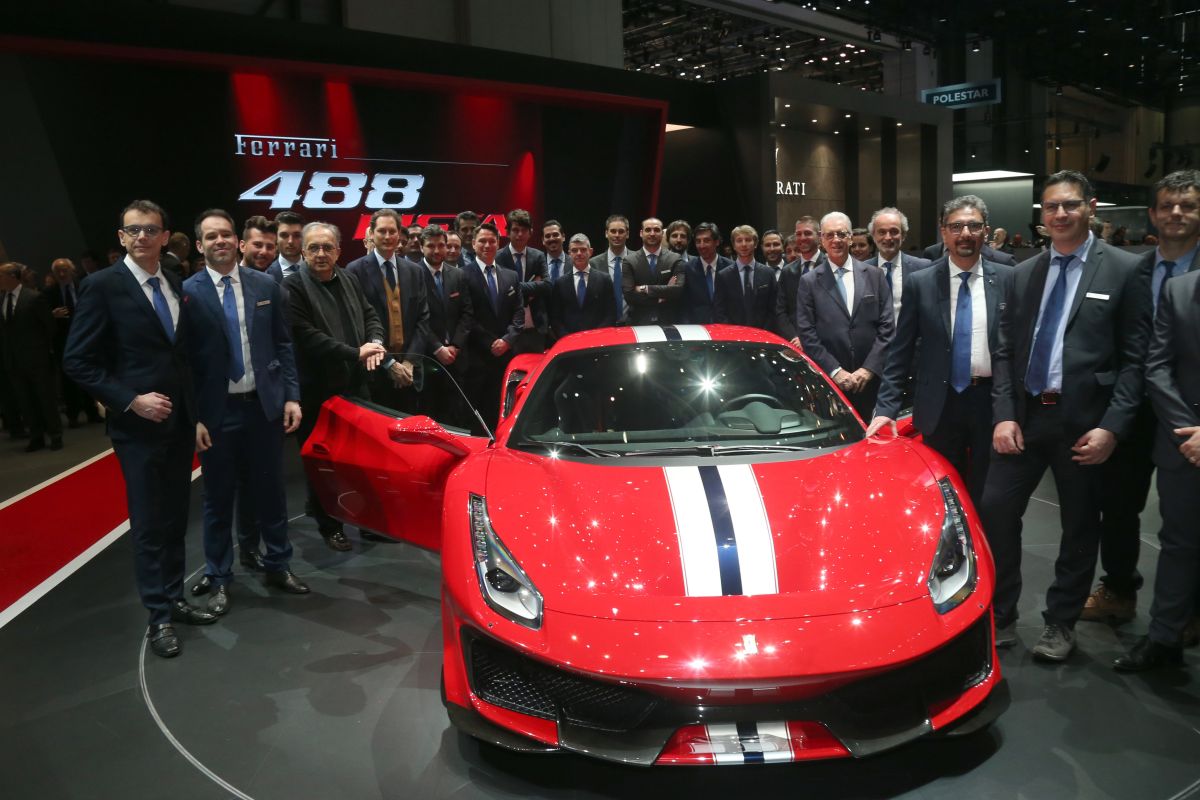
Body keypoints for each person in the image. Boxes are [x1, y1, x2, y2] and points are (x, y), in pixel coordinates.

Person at [981, 170, 1150, 661]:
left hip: (1085, 423)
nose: (1060, 214)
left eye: (1070, 205)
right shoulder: (1022, 272)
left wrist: (1112, 427)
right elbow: (1005, 351)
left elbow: (1135, 361)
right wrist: (1004, 414)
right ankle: (1002, 612)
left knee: (1079, 524)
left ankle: (1061, 621)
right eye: (1051, 206)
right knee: (995, 508)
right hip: (1026, 416)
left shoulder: (1124, 269)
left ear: (1090, 207)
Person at [64, 199, 214, 658]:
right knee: (149, 523)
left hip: (179, 423)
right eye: (134, 230)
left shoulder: (173, 280)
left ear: (165, 237)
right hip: (138, 430)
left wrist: (195, 414)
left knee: (175, 518)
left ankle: (174, 596)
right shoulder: (101, 286)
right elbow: (77, 361)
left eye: (151, 230)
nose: (142, 237)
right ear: (121, 237)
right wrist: (131, 400)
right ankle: (158, 616)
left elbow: (181, 358)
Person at [1087, 170, 1200, 626]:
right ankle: (1119, 589)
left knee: (1187, 520)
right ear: (1152, 214)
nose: (1176, 213)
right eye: (1167, 205)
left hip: (1190, 412)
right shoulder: (1133, 270)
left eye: (1187, 205)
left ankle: (1187, 611)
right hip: (1133, 406)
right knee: (1118, 505)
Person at [183, 209, 308, 617]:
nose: (219, 241)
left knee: (271, 491)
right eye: (211, 236)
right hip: (216, 413)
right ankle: (219, 576)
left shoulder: (265, 284)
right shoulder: (186, 293)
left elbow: (283, 344)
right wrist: (194, 416)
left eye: (225, 234)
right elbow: (183, 362)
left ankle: (279, 564)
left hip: (263, 407)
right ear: (199, 245)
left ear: (237, 241)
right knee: (218, 499)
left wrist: (291, 396)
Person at [868, 196, 1014, 506]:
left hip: (990, 403)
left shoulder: (1008, 279)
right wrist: (885, 409)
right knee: (942, 495)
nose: (965, 233)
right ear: (943, 232)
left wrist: (1011, 412)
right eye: (956, 226)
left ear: (986, 231)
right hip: (939, 404)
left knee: (990, 499)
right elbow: (900, 351)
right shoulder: (921, 283)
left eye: (974, 226)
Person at [1113, 265, 1200, 672]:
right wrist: (1188, 433)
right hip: (1184, 444)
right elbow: (1158, 366)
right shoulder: (1178, 290)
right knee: (1178, 545)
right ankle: (1164, 639)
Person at [284, 222, 387, 551]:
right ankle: (330, 525)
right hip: (316, 390)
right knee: (323, 464)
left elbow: (370, 315)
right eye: (314, 247)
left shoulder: (349, 279)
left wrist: (376, 342)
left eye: (327, 247)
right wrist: (356, 353)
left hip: (355, 386)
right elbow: (307, 336)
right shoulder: (292, 286)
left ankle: (366, 522)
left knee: (361, 460)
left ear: (339, 252)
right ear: (303, 251)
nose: (321, 253)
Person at [795, 211, 894, 421]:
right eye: (829, 235)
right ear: (821, 239)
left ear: (850, 237)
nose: (836, 240)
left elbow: (887, 327)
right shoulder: (809, 282)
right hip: (829, 383)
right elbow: (807, 333)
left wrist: (868, 369)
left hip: (872, 382)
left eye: (841, 234)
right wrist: (835, 371)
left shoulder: (875, 275)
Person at [344, 208, 431, 414]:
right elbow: (357, 323)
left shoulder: (415, 271)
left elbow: (423, 318)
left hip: (409, 372)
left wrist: (409, 361)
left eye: (392, 231)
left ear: (399, 234)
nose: (387, 236)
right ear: (371, 234)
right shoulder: (354, 270)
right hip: (374, 372)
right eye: (382, 231)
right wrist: (389, 363)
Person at [462, 222, 523, 427]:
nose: (487, 245)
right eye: (482, 241)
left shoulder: (511, 275)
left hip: (507, 355)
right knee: (478, 415)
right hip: (477, 356)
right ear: (473, 244)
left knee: (506, 410)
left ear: (498, 243)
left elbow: (518, 313)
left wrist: (507, 340)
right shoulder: (462, 275)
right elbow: (466, 316)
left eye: (491, 241)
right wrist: (490, 343)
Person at [0, 262, 61, 451]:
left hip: (36, 358)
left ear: (12, 276)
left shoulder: (33, 297)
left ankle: (55, 435)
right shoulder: (2, 299)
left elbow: (49, 326)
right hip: (13, 360)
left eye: (1, 275)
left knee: (45, 398)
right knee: (25, 401)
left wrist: (41, 349)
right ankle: (36, 436)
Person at [417, 224, 474, 425]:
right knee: (430, 415)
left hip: (457, 358)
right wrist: (437, 348)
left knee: (457, 416)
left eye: (441, 245)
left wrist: (455, 346)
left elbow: (467, 313)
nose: (437, 250)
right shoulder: (413, 274)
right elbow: (416, 317)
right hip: (427, 358)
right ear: (421, 247)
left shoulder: (458, 275)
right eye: (431, 246)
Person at [46, 258, 100, 428]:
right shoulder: (49, 292)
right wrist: (52, 315)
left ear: (72, 270)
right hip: (63, 341)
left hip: (87, 337)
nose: (62, 274)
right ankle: (73, 415)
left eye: (65, 270)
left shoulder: (83, 286)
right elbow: (42, 318)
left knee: (90, 374)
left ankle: (93, 412)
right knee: (68, 379)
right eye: (58, 271)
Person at [865, 207, 932, 322]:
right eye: (882, 232)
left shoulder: (923, 268)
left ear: (903, 235)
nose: (888, 237)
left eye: (894, 231)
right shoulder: (861, 270)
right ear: (873, 236)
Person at [498, 209, 548, 352]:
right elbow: (500, 290)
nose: (520, 234)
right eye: (515, 230)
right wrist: (533, 286)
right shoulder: (498, 257)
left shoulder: (538, 256)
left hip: (535, 328)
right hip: (508, 330)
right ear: (507, 232)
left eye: (524, 230)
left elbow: (547, 285)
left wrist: (515, 287)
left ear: (530, 232)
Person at [550, 234, 617, 337]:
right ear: (569, 253)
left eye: (583, 249)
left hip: (598, 339)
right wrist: (567, 338)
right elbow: (555, 318)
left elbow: (611, 314)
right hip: (569, 341)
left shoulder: (604, 279)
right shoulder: (560, 283)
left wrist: (596, 336)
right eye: (574, 250)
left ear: (590, 252)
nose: (579, 253)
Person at [774, 216, 826, 346]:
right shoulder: (787, 271)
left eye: (807, 233)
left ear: (819, 236)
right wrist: (794, 337)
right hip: (794, 343)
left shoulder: (830, 267)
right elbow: (781, 311)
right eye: (798, 234)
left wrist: (807, 338)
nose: (802, 238)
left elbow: (832, 312)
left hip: (824, 342)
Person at [623, 216, 684, 326]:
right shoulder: (629, 260)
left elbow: (678, 290)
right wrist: (661, 297)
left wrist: (645, 288)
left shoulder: (675, 259)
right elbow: (629, 295)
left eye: (656, 230)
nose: (652, 233)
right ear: (641, 233)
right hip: (638, 323)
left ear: (662, 233)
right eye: (648, 230)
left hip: (667, 323)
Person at [715, 224, 777, 330]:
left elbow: (773, 308)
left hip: (763, 333)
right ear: (734, 246)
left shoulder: (768, 273)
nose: (744, 244)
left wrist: (763, 332)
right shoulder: (723, 276)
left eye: (748, 240)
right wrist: (733, 332)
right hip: (733, 334)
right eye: (739, 241)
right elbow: (720, 311)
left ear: (755, 244)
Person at [679, 222, 733, 324]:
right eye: (698, 241)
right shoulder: (687, 268)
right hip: (697, 328)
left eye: (706, 240)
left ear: (717, 242)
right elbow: (684, 305)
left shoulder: (730, 267)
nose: (702, 245)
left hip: (726, 327)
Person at [588, 215, 632, 325]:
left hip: (632, 325)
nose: (617, 235)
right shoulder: (593, 264)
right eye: (613, 231)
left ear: (627, 234)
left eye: (621, 231)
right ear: (606, 233)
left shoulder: (638, 260)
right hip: (603, 325)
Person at [267, 210, 305, 283]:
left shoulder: (316, 270)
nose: (290, 241)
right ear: (276, 238)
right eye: (284, 235)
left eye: (297, 235)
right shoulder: (265, 274)